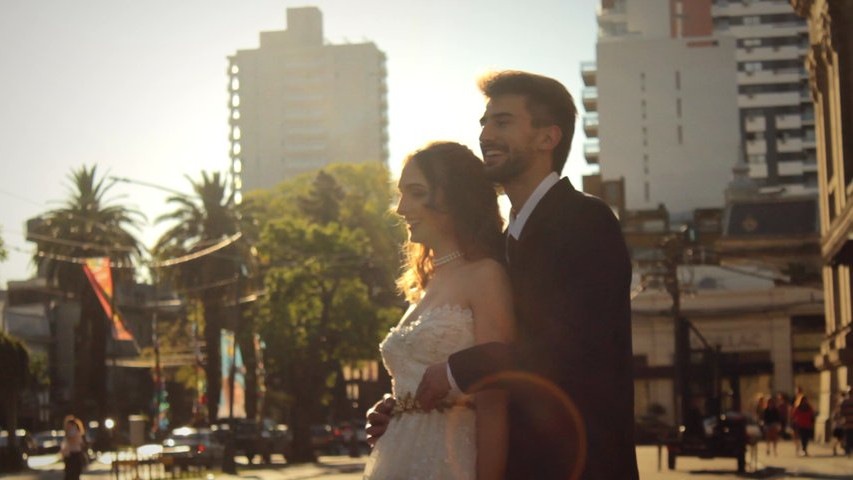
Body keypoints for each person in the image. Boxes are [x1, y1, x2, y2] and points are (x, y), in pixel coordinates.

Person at [368, 71, 638, 479]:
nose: (486, 134)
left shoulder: (585, 220)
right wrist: (408, 409)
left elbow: (571, 349)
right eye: (484, 122)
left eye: (503, 122)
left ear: (548, 138)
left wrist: (454, 372)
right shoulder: (498, 245)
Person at [362, 141, 515, 479]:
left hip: (448, 462)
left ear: (456, 197)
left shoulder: (485, 275)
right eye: (401, 193)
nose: (401, 208)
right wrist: (397, 408)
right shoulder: (425, 283)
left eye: (416, 193)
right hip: (398, 458)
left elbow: (494, 401)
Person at [59, 416, 87, 480]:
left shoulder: (72, 430)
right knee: (73, 474)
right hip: (73, 454)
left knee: (71, 474)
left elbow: (71, 440)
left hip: (73, 455)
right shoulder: (75, 431)